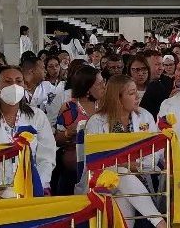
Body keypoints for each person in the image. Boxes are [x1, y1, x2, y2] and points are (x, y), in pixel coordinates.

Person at [0, 65, 56, 200]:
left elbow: (46, 158)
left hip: (30, 193)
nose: (14, 86)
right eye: (7, 81)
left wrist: (34, 187)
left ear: (24, 86)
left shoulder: (37, 117)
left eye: (18, 81)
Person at [84, 75, 166, 228]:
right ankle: (159, 221)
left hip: (138, 178)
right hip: (104, 180)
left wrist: (137, 166)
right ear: (117, 98)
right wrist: (127, 166)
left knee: (122, 187)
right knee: (120, 171)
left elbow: (155, 153)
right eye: (131, 93)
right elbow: (95, 158)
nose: (137, 97)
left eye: (137, 92)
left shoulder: (145, 116)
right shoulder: (96, 122)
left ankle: (156, 222)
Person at [53, 66, 104, 195]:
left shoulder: (104, 106)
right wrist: (68, 133)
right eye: (99, 84)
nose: (104, 86)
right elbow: (57, 140)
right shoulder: (70, 108)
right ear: (87, 87)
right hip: (73, 170)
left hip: (101, 168)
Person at [140, 50, 173, 117]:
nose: (161, 68)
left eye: (162, 64)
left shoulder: (168, 83)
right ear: (145, 66)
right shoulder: (131, 84)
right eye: (157, 64)